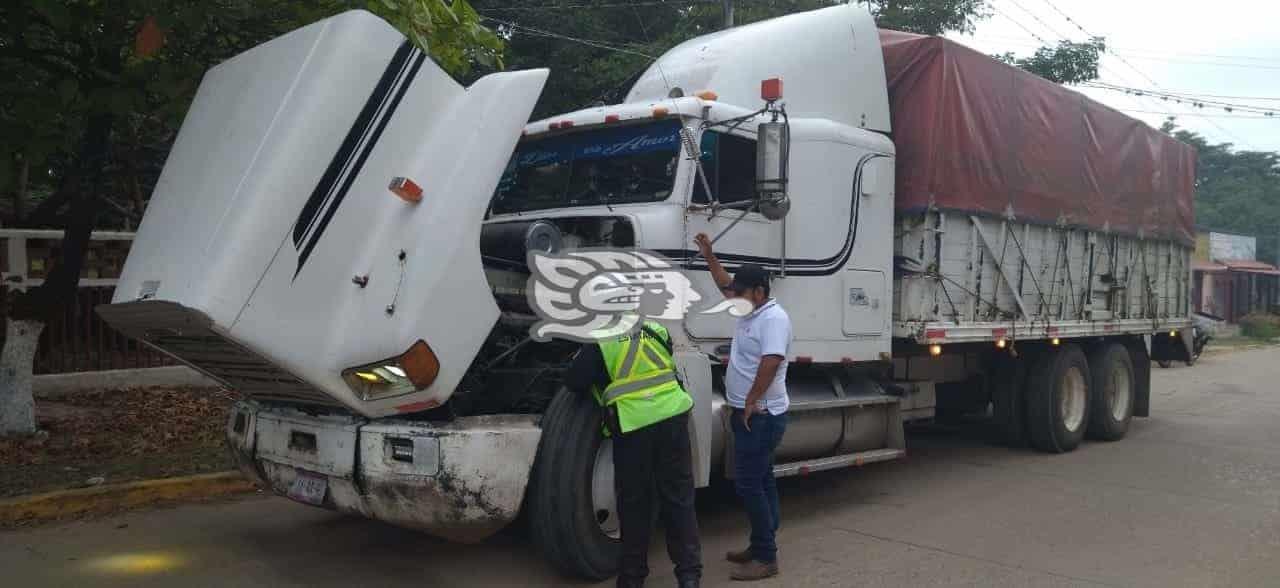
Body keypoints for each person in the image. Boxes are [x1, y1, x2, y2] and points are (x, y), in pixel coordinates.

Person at [565, 319, 702, 588]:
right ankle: (689, 577)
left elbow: (574, 381)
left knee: (635, 503)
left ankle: (632, 578)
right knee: (679, 499)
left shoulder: (601, 338)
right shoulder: (656, 329)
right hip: (673, 416)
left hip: (634, 424)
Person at [694, 233, 792, 582]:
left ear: (759, 293)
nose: (733, 296)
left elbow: (771, 361)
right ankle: (761, 542)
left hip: (762, 416)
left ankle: (766, 557)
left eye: (741, 291)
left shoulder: (773, 319)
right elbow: (724, 283)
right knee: (762, 480)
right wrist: (709, 256)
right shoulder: (750, 306)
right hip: (749, 414)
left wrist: (750, 402)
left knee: (750, 484)